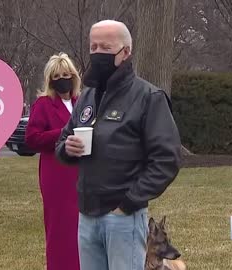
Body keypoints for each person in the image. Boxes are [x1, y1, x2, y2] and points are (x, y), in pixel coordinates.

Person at [55, 20, 182, 270]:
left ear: (125, 52)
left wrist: (128, 203)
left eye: (105, 47)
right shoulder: (88, 97)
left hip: (123, 218)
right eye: (93, 47)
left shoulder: (148, 97)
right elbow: (62, 140)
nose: (98, 53)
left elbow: (167, 159)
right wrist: (66, 149)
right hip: (87, 215)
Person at [25, 53, 81, 270]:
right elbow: (32, 138)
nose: (62, 79)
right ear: (50, 79)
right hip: (56, 175)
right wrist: (62, 133)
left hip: (81, 173)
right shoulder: (43, 104)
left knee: (80, 228)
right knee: (60, 228)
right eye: (57, 75)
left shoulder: (81, 102)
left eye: (66, 74)